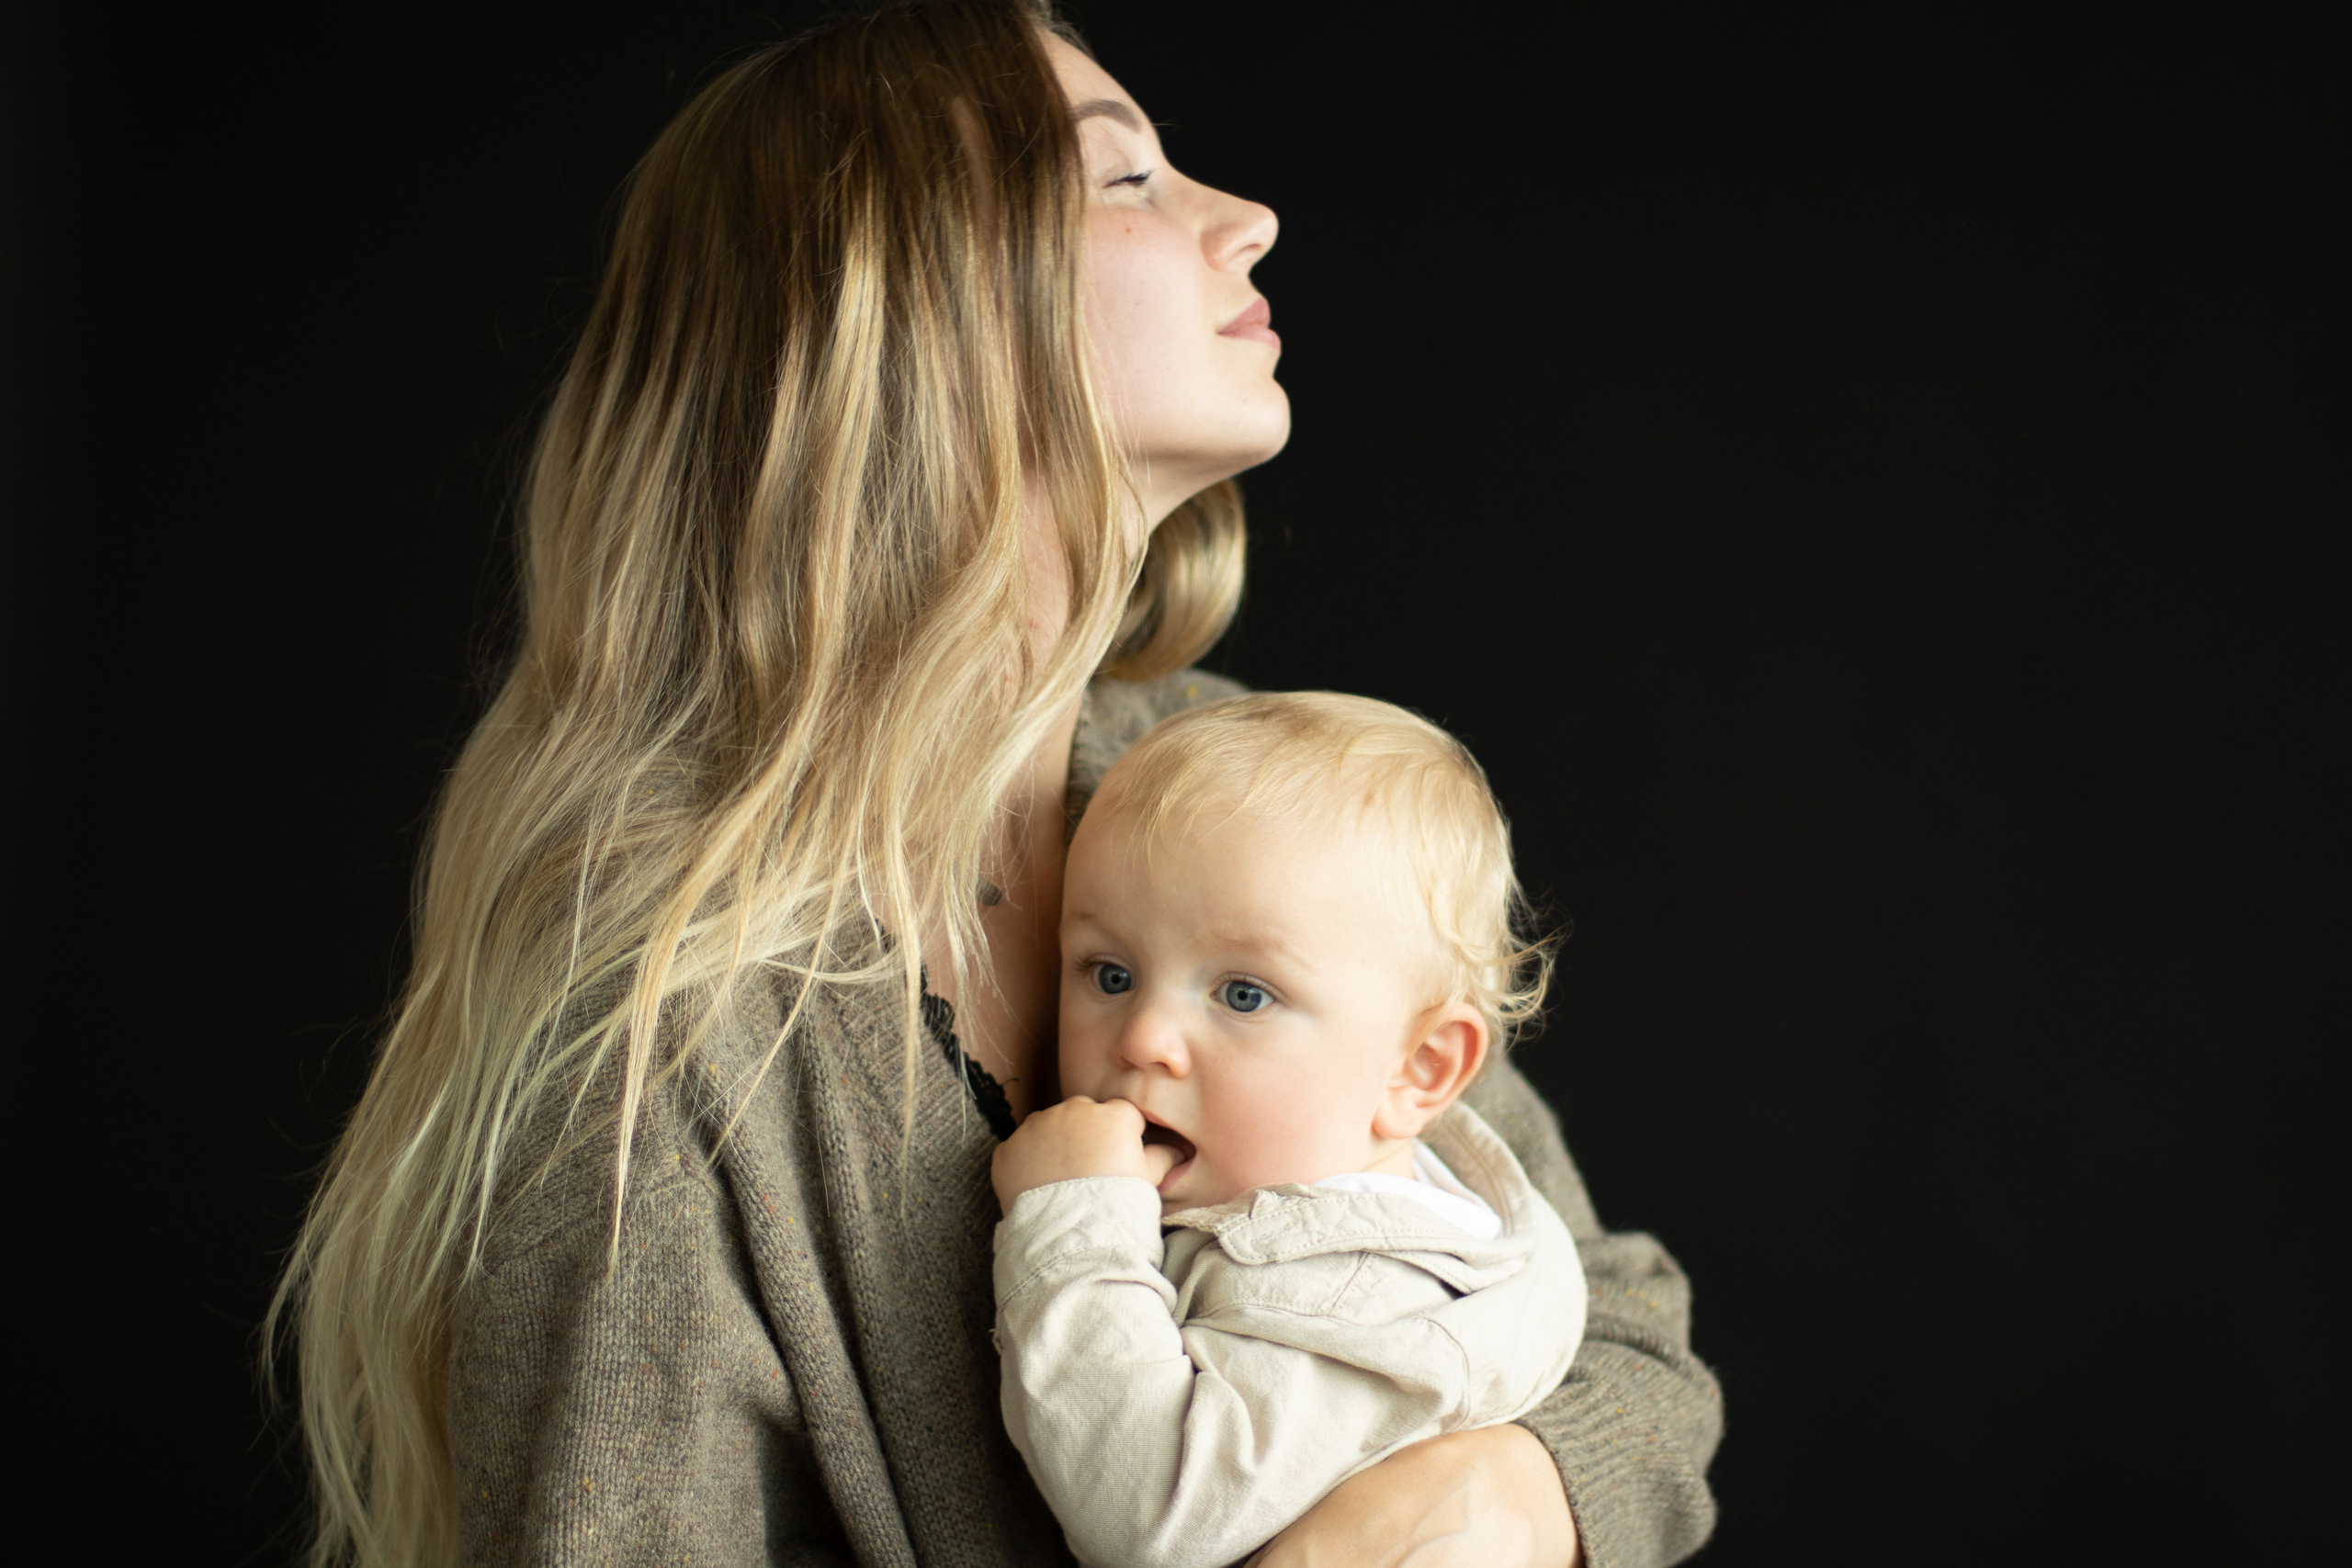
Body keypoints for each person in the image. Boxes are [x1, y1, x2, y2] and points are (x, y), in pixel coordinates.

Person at [267, 4, 1724, 1565]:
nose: (1246, 216)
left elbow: (1632, 1342)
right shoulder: (660, 1036)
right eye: (1125, 179)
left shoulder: (1221, 775)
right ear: (912, 309)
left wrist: (1486, 1496)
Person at [990, 692, 1589, 1568]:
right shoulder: (1357, 1168)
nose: (1144, 1038)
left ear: (1418, 1069)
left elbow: (1153, 1516)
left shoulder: (1354, 1294)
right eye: (1109, 971)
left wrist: (1073, 1220)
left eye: (1243, 994)